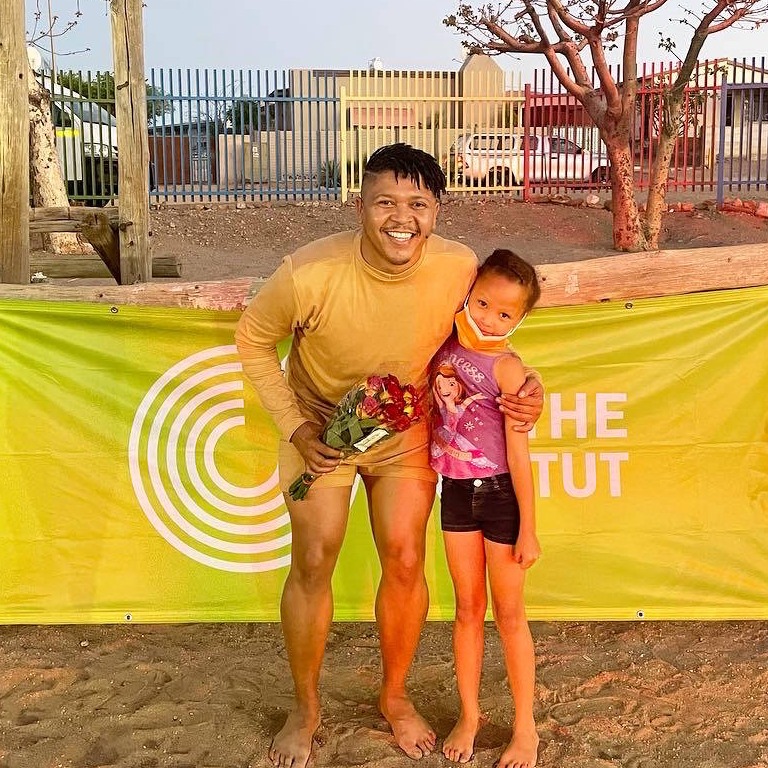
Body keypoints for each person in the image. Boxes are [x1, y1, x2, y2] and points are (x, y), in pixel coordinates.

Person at [234, 143, 544, 768]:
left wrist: (528, 387)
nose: (402, 218)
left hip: (405, 432)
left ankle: (395, 695)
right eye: (385, 203)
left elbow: (487, 334)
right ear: (360, 206)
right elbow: (253, 339)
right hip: (321, 432)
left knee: (404, 557)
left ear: (436, 211)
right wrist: (297, 428)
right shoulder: (308, 272)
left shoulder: (458, 267)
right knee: (314, 555)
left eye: (418, 204)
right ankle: (305, 708)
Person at [429, 249, 542, 768]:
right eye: (482, 304)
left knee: (510, 614)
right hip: (454, 491)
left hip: (500, 498)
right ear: (467, 295)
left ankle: (525, 729)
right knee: (467, 609)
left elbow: (519, 454)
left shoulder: (509, 367)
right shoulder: (442, 345)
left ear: (520, 319)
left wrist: (529, 529)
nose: (490, 319)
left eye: (505, 313)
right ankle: (470, 716)